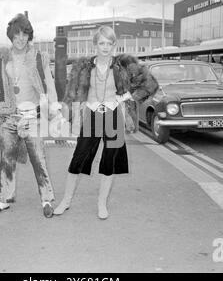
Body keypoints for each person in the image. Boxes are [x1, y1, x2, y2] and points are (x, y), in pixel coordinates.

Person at [54, 25, 158, 219]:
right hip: (92, 115)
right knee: (78, 158)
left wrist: (127, 95)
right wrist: (62, 117)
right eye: (101, 43)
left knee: (109, 161)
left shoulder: (124, 64)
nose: (105, 47)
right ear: (95, 44)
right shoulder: (83, 66)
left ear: (114, 45)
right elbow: (71, 92)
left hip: (113, 116)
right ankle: (65, 201)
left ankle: (102, 204)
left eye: (109, 43)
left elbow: (150, 84)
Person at [0, 13, 62, 218]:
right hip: (9, 118)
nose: (20, 39)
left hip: (31, 116)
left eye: (24, 34)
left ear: (29, 35)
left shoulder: (38, 57)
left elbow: (49, 84)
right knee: (6, 159)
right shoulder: (2, 58)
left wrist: (55, 109)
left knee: (38, 159)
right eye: (16, 35)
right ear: (11, 36)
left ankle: (46, 200)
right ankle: (4, 200)